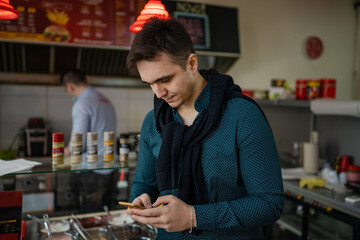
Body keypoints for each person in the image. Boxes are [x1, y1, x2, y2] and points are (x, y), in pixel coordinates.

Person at [125, 17, 284, 239]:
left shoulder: (242, 115)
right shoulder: (153, 122)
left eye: (165, 79)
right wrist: (140, 200)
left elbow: (270, 203)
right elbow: (144, 184)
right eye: (150, 83)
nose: (158, 93)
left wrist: (193, 216)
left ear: (191, 63)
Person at [60, 67, 117, 212]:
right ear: (85, 80)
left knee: (89, 216)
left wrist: (65, 150)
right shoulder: (105, 101)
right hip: (109, 167)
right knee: (105, 214)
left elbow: (78, 144)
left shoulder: (81, 105)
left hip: (91, 170)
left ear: (70, 86)